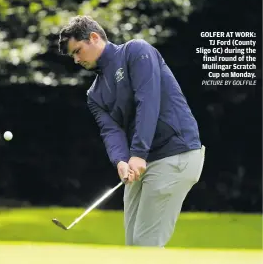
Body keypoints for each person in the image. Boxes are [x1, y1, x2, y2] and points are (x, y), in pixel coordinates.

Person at [58, 15, 205, 247]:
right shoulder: (94, 94)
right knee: (133, 247)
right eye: (72, 55)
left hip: (175, 154)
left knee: (146, 245)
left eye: (77, 51)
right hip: (140, 162)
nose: (76, 59)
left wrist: (137, 153)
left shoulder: (136, 51)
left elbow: (148, 102)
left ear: (94, 37)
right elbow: (110, 131)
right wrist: (121, 161)